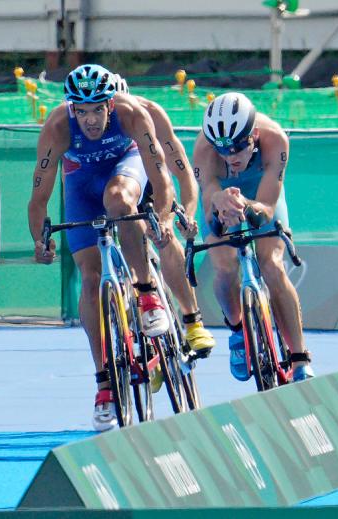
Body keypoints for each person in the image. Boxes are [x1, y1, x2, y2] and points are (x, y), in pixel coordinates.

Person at [28, 64, 176, 432]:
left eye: (97, 109)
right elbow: (39, 197)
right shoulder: (58, 127)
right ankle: (104, 385)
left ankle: (146, 294)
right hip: (81, 184)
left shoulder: (131, 113)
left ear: (111, 104)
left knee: (120, 201)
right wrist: (39, 240)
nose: (90, 120)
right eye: (82, 110)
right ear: (72, 108)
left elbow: (160, 173)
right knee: (90, 280)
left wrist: (165, 218)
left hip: (126, 168)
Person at [192, 92, 315, 382]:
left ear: (255, 135)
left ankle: (299, 358)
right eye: (223, 150)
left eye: (238, 147)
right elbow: (209, 201)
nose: (231, 156)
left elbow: (267, 207)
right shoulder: (204, 150)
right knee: (224, 267)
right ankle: (237, 330)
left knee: (272, 265)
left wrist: (246, 205)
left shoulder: (275, 139)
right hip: (221, 198)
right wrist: (221, 204)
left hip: (260, 192)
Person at [111, 74, 216, 358]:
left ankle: (192, 320)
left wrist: (185, 214)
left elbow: (183, 174)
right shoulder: (84, 124)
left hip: (145, 179)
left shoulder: (151, 115)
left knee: (164, 237)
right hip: (109, 181)